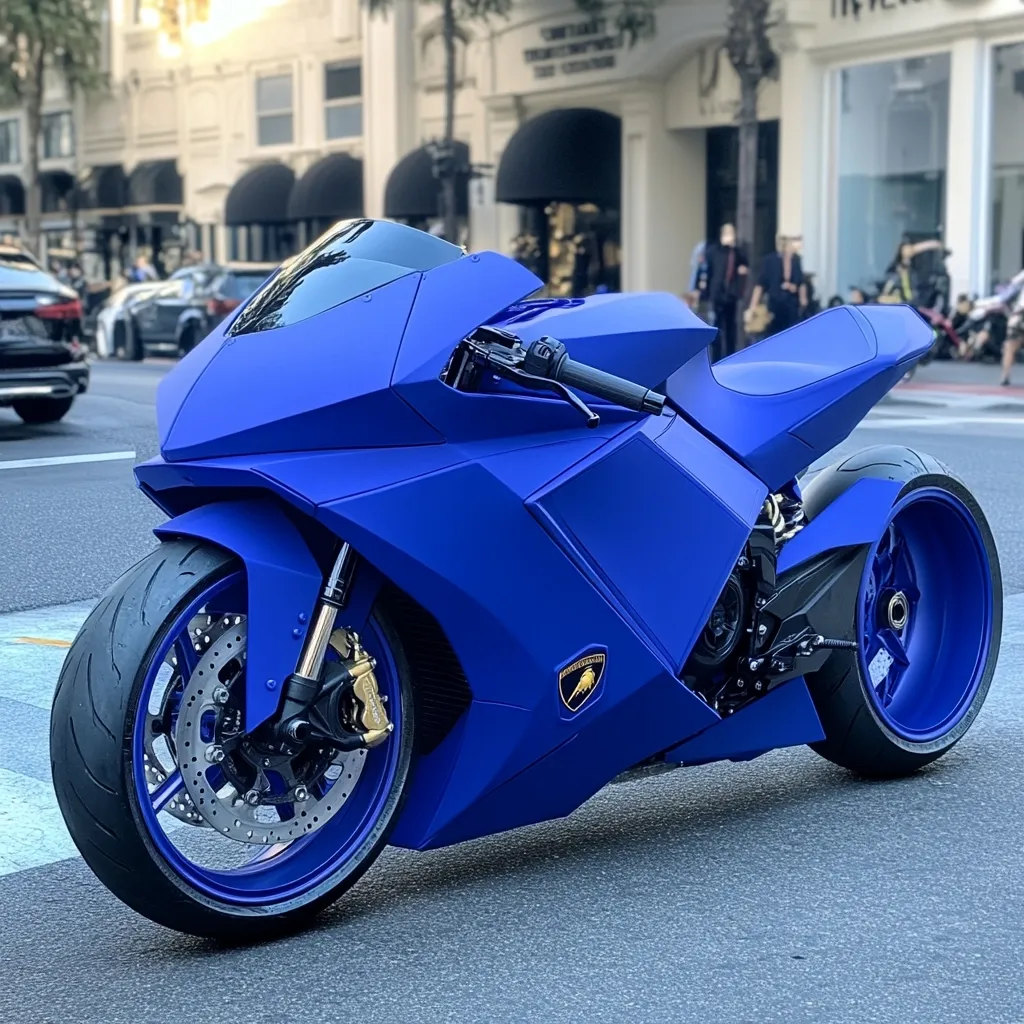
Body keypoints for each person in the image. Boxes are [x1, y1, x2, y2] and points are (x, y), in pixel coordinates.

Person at [747, 235, 806, 338]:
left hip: (791, 303)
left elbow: (801, 282)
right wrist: (753, 306)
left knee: (791, 332)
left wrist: (803, 299)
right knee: (773, 333)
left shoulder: (795, 260)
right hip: (775, 303)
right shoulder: (769, 261)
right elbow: (761, 285)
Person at [705, 223, 748, 357]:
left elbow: (745, 263)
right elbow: (709, 271)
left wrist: (734, 248)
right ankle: (716, 355)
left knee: (731, 326)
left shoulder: (736, 252)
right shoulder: (714, 251)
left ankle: (730, 354)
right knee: (717, 325)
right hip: (717, 293)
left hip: (731, 294)